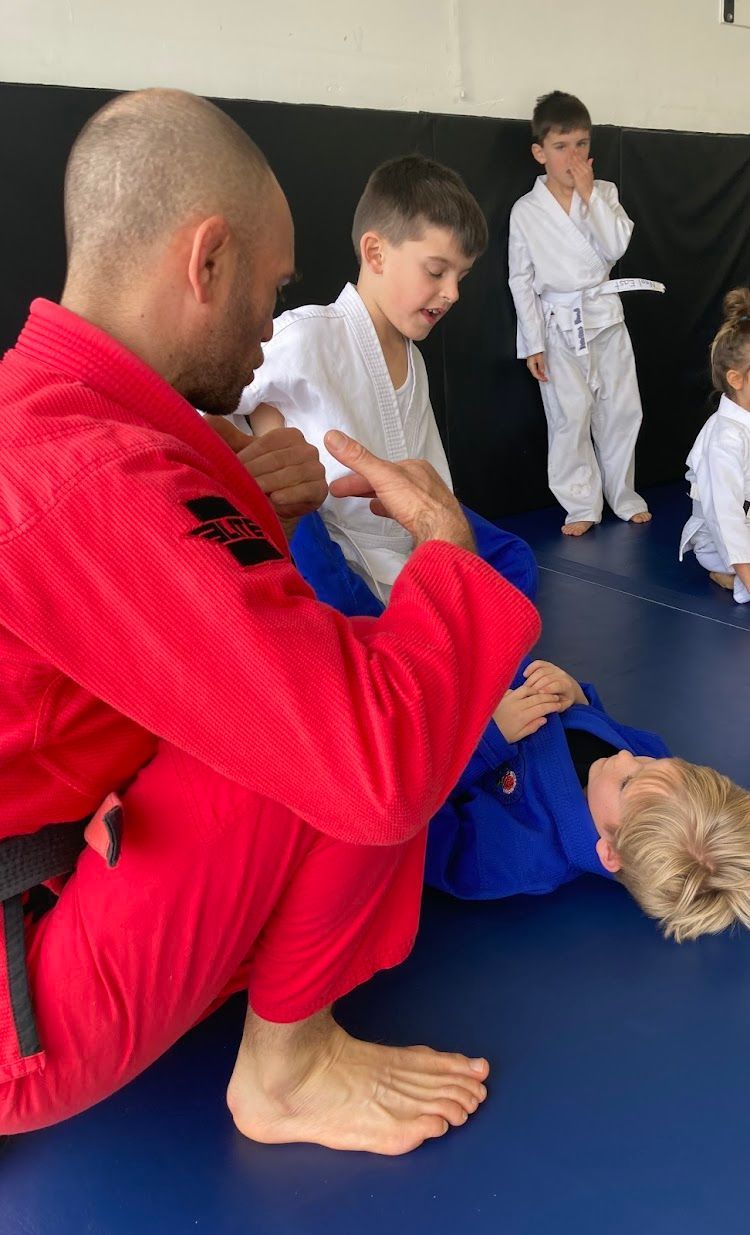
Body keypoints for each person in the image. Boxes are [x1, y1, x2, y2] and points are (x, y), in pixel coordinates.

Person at [0, 88, 541, 1153]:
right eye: (270, 284)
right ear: (206, 262)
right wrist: (445, 559)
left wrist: (242, 502)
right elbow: (372, 756)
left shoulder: (54, 409)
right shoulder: (88, 475)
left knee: (338, 677)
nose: (270, 320)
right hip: (25, 1003)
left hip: (54, 872)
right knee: (355, 713)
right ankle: (283, 1071)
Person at [292, 514, 750, 943]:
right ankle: (424, 505)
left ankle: (293, 514)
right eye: (654, 761)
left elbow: (410, 816)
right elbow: (599, 724)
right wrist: (576, 694)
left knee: (340, 600)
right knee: (515, 561)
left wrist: (488, 741)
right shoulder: (644, 772)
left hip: (404, 712)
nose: (633, 755)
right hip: (479, 669)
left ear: (609, 851)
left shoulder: (512, 858)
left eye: (630, 779)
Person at [218, 153, 491, 604]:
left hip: (398, 546)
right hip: (331, 548)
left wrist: (438, 528)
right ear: (376, 253)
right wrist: (252, 452)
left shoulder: (413, 361)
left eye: (462, 276)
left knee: (511, 556)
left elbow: (428, 479)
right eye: (437, 271)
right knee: (312, 543)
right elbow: (205, 402)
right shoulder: (305, 335)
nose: (453, 293)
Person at [508, 90, 662, 536]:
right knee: (568, 416)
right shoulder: (526, 211)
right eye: (561, 146)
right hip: (558, 328)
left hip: (606, 319)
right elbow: (520, 279)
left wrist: (590, 195)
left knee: (621, 411)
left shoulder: (606, 193)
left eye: (581, 144)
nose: (573, 156)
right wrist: (532, 341)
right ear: (540, 153)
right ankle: (580, 506)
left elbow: (616, 247)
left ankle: (624, 496)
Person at [680, 287, 750, 603]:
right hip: (719, 539)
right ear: (736, 379)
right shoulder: (725, 438)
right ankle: (732, 577)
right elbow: (727, 519)